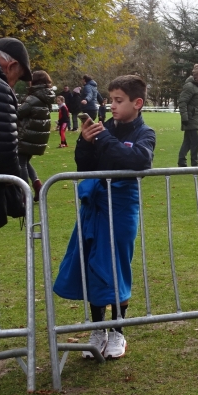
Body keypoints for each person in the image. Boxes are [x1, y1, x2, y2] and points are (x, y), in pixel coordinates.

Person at [53, 74, 156, 359]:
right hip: (94, 205)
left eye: (118, 100)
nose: (112, 105)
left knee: (116, 265)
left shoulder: (145, 133)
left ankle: (118, 331)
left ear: (137, 103)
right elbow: (85, 166)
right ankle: (98, 328)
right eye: (110, 99)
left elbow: (138, 160)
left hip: (122, 208)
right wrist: (85, 143)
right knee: (92, 263)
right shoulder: (102, 128)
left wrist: (105, 138)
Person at [0, 37, 32, 229]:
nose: (14, 84)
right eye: (17, 77)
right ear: (11, 65)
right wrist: (14, 183)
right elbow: (4, 144)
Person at [17, 70, 55, 202]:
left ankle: (23, 192)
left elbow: (18, 113)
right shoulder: (46, 96)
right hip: (36, 137)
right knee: (26, 162)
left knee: (21, 162)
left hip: (26, 134)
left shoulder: (32, 98)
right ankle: (37, 185)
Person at [177, 64, 198, 167]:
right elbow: (182, 102)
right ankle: (195, 163)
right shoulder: (190, 86)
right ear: (196, 76)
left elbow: (195, 102)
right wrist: (184, 118)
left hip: (194, 118)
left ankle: (181, 161)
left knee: (187, 142)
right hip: (190, 118)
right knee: (195, 141)